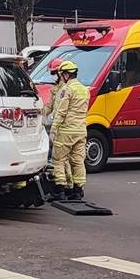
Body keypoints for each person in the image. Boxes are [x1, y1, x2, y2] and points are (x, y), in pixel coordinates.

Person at [49, 58, 90, 200]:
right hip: (81, 131)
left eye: (61, 75)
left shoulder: (66, 89)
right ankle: (78, 191)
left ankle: (59, 190)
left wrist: (53, 130)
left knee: (58, 160)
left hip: (66, 131)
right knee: (78, 161)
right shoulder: (85, 90)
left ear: (66, 74)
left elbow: (61, 112)